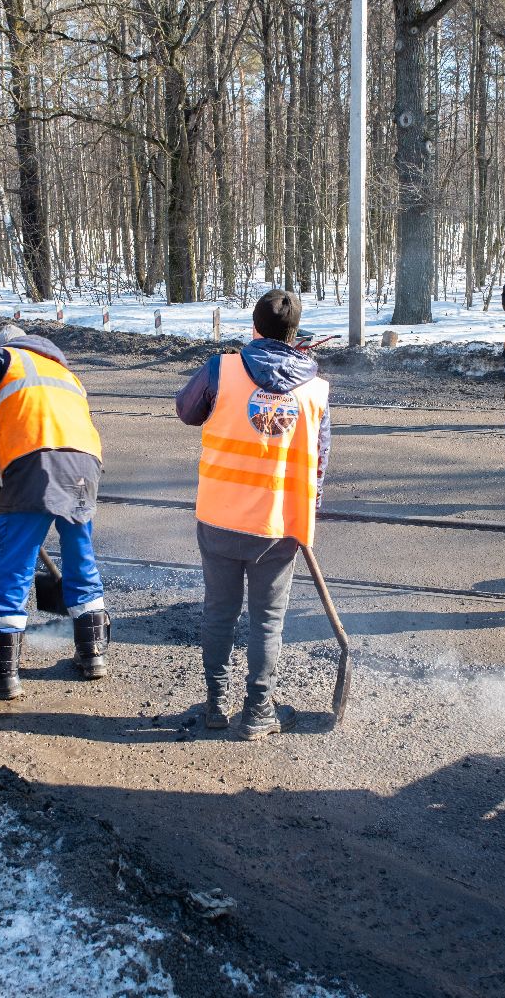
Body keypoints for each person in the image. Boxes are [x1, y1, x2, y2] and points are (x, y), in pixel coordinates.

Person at [175, 289, 331, 740]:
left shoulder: (221, 368)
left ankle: (215, 704)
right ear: (296, 333)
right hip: (279, 524)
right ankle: (259, 710)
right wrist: (309, 515)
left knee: (219, 612)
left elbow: (187, 411)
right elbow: (319, 464)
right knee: (266, 619)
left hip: (220, 515)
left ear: (256, 328)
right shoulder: (316, 390)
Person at [0, 323, 108, 700]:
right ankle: (93, 655)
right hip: (85, 464)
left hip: (35, 462)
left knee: (13, 563)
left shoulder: (7, 356)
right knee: (80, 556)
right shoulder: (63, 370)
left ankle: (1, 673)